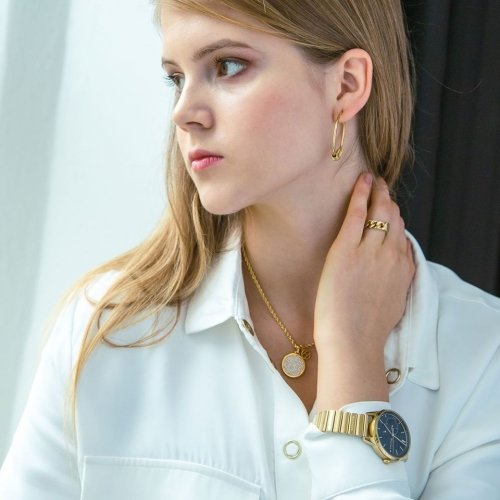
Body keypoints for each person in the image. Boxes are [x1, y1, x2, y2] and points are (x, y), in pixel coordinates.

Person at [1, 0, 499, 498]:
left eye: (227, 66)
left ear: (346, 86)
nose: (183, 113)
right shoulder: (106, 331)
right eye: (176, 78)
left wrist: (353, 360)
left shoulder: (483, 359)